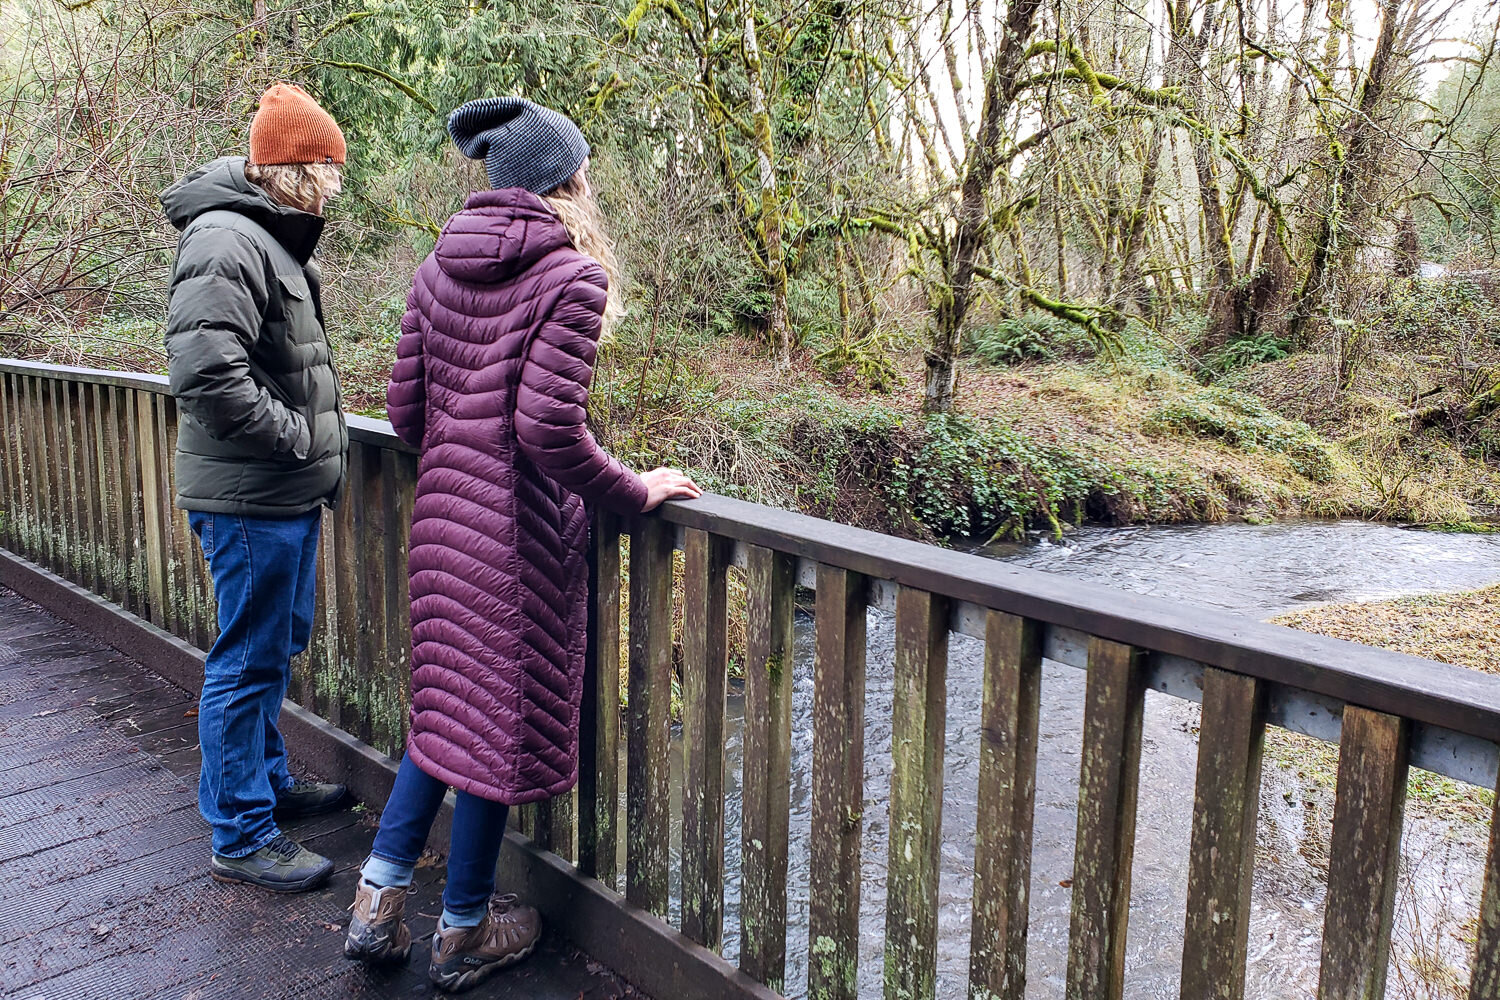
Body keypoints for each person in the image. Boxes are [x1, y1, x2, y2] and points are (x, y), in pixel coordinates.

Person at [343, 97, 700, 992]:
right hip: (514, 545)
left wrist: (467, 447)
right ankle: (463, 930)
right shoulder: (572, 279)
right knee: (493, 729)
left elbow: (404, 414)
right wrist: (635, 488)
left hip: (442, 531)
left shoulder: (437, 268)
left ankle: (377, 901)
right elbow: (547, 429)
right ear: (565, 181)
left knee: (442, 720)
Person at [161, 83, 352, 893]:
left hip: (276, 494)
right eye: (332, 169)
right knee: (244, 660)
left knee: (269, 649)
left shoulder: (261, 235)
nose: (340, 185)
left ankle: (266, 786)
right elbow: (206, 375)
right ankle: (240, 832)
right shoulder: (228, 239)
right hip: (250, 495)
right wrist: (299, 439)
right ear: (297, 169)